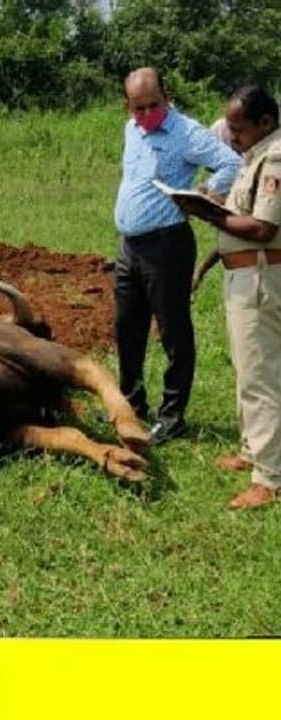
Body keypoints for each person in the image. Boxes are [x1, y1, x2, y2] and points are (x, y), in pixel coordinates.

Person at [112, 67, 239, 445]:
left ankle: (172, 416)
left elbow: (231, 163)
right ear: (128, 106)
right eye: (139, 108)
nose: (148, 115)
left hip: (167, 245)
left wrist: (204, 194)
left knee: (173, 331)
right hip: (129, 244)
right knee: (126, 327)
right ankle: (132, 404)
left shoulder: (186, 132)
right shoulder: (131, 130)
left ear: (166, 97)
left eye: (154, 106)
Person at [173, 85, 281, 509]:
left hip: (260, 277)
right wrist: (217, 204)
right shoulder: (255, 156)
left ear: (265, 123)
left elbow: (261, 229)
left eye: (237, 128)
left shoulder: (275, 159)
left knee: (260, 376)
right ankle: (254, 449)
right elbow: (244, 215)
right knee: (247, 368)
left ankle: (269, 477)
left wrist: (208, 212)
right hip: (245, 275)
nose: (231, 136)